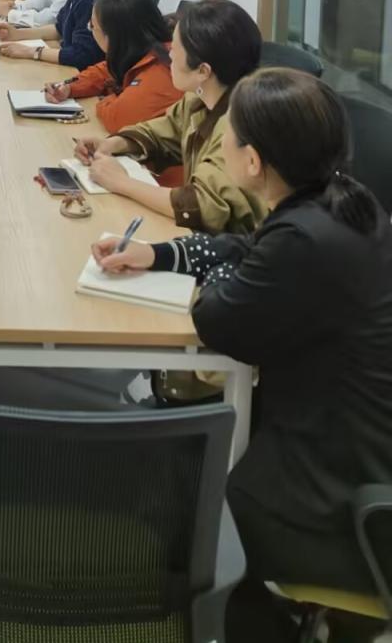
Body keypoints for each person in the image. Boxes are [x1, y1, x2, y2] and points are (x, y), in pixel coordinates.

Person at [91, 69, 392, 643]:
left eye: (228, 136)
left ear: (253, 161)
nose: (220, 143)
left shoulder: (304, 238)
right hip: (353, 433)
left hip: (336, 490)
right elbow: (247, 249)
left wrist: (220, 275)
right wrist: (158, 254)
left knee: (188, 500)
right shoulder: (342, 202)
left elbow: (217, 317)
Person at [74, 0, 266, 232]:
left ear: (203, 71)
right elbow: (165, 131)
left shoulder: (237, 126)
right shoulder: (199, 99)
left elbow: (203, 206)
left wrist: (121, 182)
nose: (169, 56)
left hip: (236, 246)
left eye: (175, 49)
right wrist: (114, 144)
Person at [45, 0, 184, 185]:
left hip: (167, 184)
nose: (90, 30)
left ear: (112, 37)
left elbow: (118, 118)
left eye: (92, 26)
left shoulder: (163, 68)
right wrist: (71, 86)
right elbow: (106, 70)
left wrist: (107, 98)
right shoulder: (142, 51)